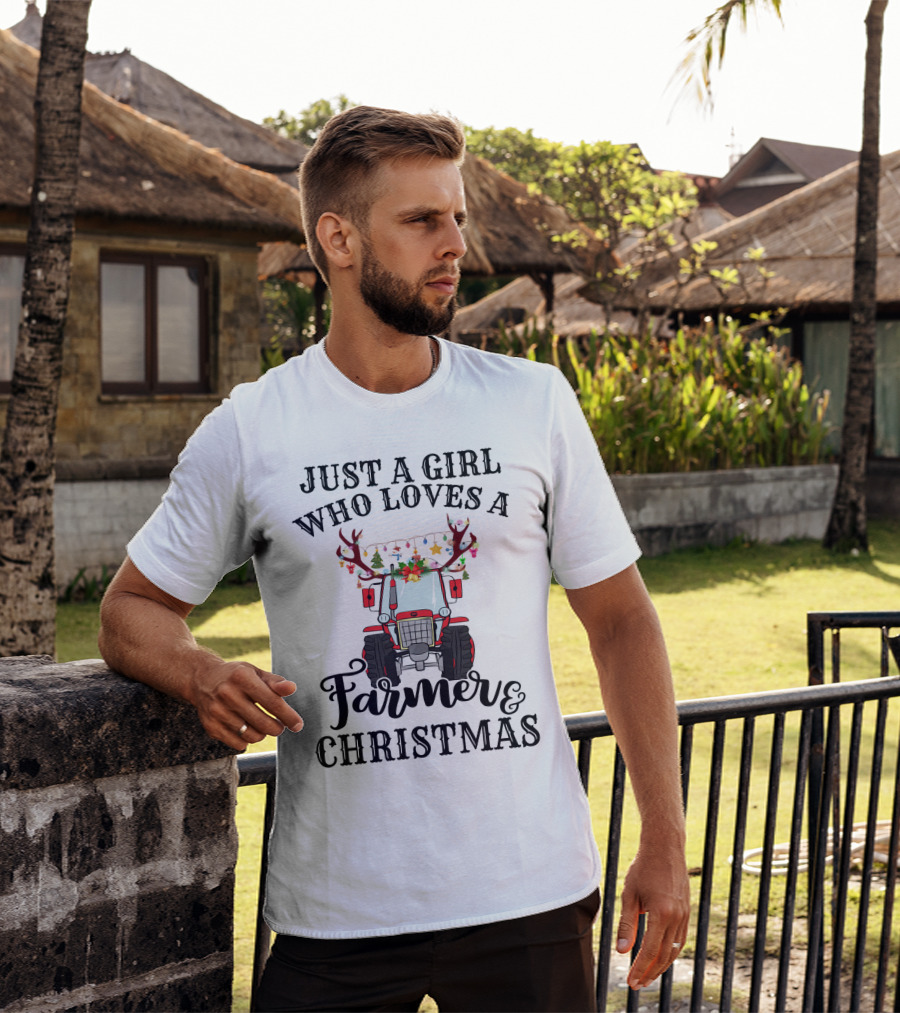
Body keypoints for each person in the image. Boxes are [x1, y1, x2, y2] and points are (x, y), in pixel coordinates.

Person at [99, 105, 689, 1013]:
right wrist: (200, 671)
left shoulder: (532, 404)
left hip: (529, 893)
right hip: (336, 910)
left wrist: (663, 835)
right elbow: (128, 610)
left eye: (455, 216)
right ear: (338, 237)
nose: (454, 243)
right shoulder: (255, 429)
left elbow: (620, 620)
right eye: (421, 220)